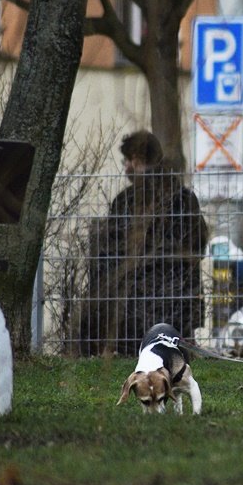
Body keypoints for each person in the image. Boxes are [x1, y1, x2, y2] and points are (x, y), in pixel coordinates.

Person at [85, 130, 209, 355]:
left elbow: (111, 253)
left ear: (137, 159)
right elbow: (198, 246)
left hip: (135, 304)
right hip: (180, 299)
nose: (126, 168)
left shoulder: (126, 202)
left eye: (127, 161)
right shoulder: (185, 198)